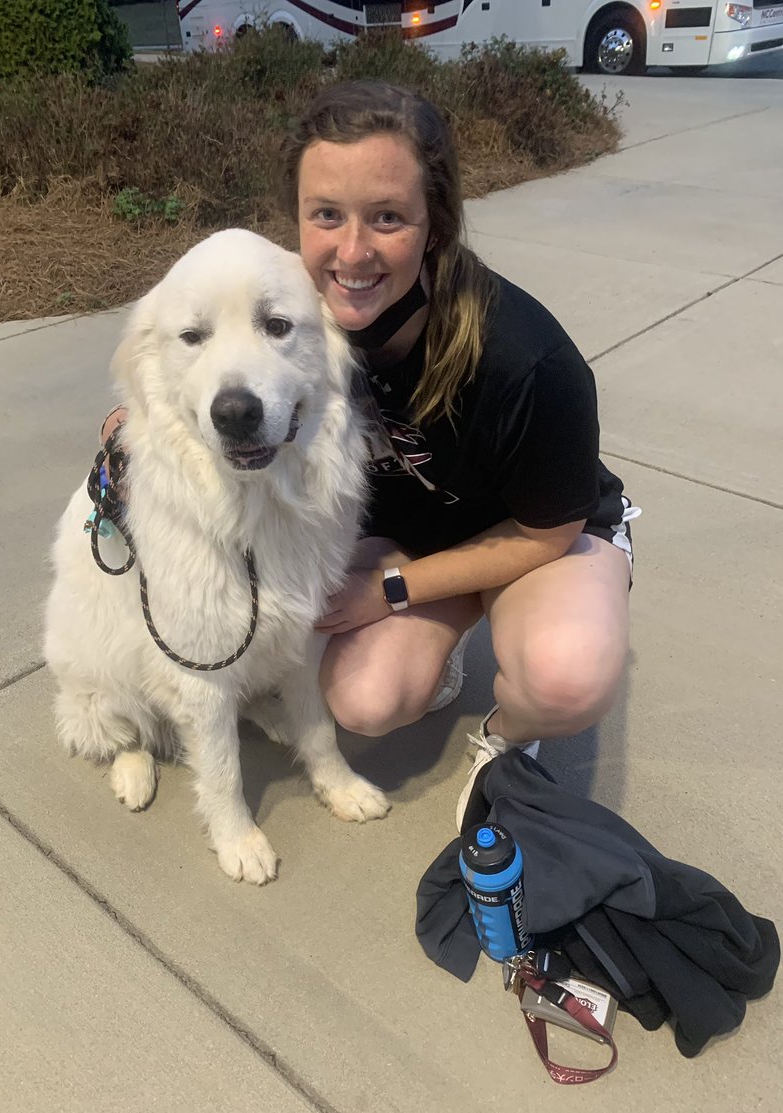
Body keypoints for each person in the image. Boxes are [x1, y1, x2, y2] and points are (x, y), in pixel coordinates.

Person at [103, 79, 639, 831]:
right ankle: (445, 640)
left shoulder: (526, 358)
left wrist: (391, 593)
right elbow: (209, 352)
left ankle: (507, 746)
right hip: (409, 534)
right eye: (327, 215)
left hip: (538, 537)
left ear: (435, 224)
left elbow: (547, 530)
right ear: (297, 218)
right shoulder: (298, 306)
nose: (352, 252)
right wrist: (147, 413)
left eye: (387, 217)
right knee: (363, 701)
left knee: (564, 674)